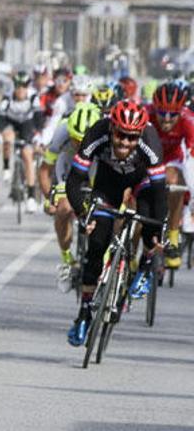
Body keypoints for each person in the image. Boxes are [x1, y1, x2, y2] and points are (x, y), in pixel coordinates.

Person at [65, 101, 167, 346]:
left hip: (142, 183)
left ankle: (145, 265)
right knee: (97, 245)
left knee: (148, 219)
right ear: (112, 128)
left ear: (140, 135)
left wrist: (156, 234)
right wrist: (82, 213)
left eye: (132, 138)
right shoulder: (97, 133)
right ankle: (84, 314)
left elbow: (159, 194)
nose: (124, 142)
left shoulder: (150, 143)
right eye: (121, 135)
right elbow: (75, 180)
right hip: (107, 184)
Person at [39, 102, 102, 292]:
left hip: (94, 165)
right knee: (64, 208)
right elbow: (44, 170)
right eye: (76, 139)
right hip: (67, 165)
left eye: (84, 140)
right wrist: (49, 197)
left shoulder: (103, 135)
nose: (80, 145)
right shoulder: (61, 132)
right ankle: (67, 258)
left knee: (102, 210)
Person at [144, 83, 194, 270]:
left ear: (180, 112)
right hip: (148, 157)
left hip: (173, 160)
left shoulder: (189, 120)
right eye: (162, 112)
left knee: (175, 183)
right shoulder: (145, 115)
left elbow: (192, 159)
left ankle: (173, 235)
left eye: (173, 114)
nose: (166, 119)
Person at [0, 71, 41, 213]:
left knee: (27, 155)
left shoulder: (33, 97)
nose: (21, 89)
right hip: (11, 121)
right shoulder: (7, 98)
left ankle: (31, 197)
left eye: (24, 86)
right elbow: (1, 120)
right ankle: (6, 168)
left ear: (28, 86)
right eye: (18, 86)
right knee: (8, 139)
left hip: (26, 123)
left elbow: (39, 119)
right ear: (14, 86)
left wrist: (38, 134)